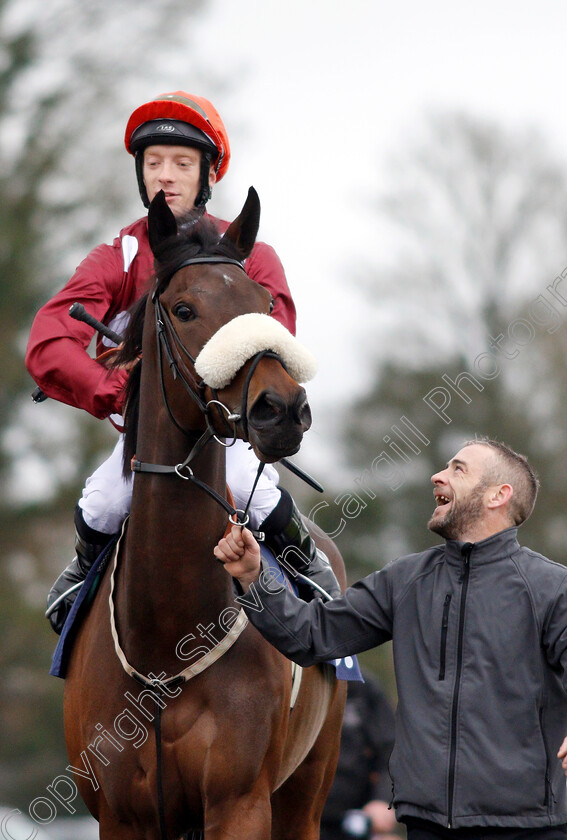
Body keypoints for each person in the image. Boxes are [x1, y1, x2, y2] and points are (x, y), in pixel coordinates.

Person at [26, 90, 340, 634]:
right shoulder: (116, 257)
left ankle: (320, 594)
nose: (165, 176)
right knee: (102, 502)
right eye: (153, 164)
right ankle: (80, 586)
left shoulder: (251, 256)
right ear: (140, 175)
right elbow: (48, 342)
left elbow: (277, 338)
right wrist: (119, 392)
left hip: (226, 439)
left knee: (256, 492)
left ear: (206, 174)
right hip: (145, 441)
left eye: (181, 163)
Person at [214, 437, 567, 838]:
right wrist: (255, 577)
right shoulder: (404, 580)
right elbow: (313, 635)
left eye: (457, 469)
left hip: (528, 829)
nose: (437, 476)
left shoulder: (554, 588)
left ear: (498, 495)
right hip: (426, 827)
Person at [321, 672, 399, 840]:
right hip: (296, 815)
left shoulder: (364, 689)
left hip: (356, 818)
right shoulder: (290, 685)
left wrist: (383, 801)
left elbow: (391, 752)